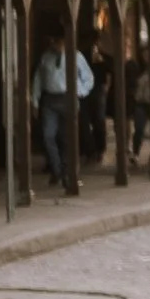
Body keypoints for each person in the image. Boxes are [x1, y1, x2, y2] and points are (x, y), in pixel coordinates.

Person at [31, 23, 93, 189]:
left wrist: (79, 91)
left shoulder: (76, 56)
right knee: (48, 135)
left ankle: (66, 171)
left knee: (67, 137)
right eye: (54, 41)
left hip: (68, 98)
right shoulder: (47, 56)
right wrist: (34, 101)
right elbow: (38, 79)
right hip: (50, 99)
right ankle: (57, 168)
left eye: (58, 40)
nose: (55, 44)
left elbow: (88, 77)